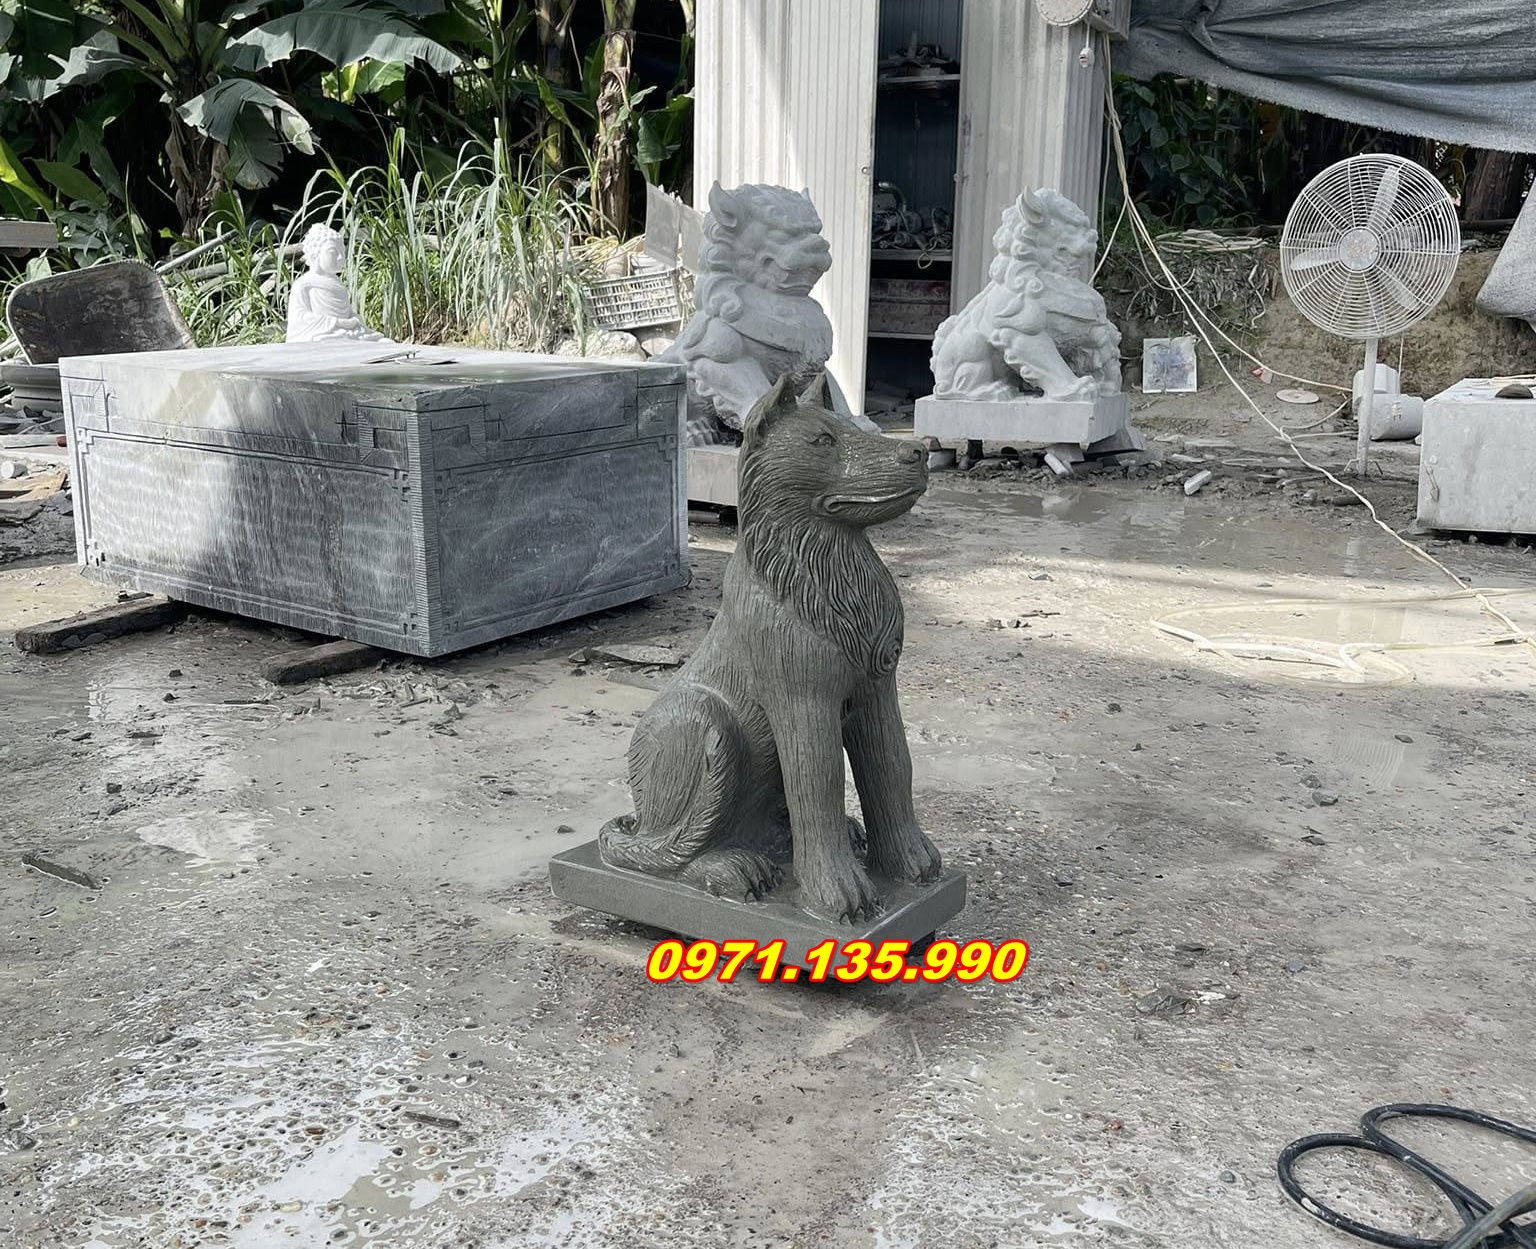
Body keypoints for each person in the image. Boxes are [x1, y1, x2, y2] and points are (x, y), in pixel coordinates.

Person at [285, 224, 390, 343]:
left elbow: (348, 314)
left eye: (342, 252)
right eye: (333, 252)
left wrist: (353, 320)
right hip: (324, 332)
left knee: (380, 340)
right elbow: (299, 320)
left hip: (346, 330)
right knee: (327, 339)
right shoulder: (304, 284)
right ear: (315, 256)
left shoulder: (338, 284)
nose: (340, 257)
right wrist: (337, 322)